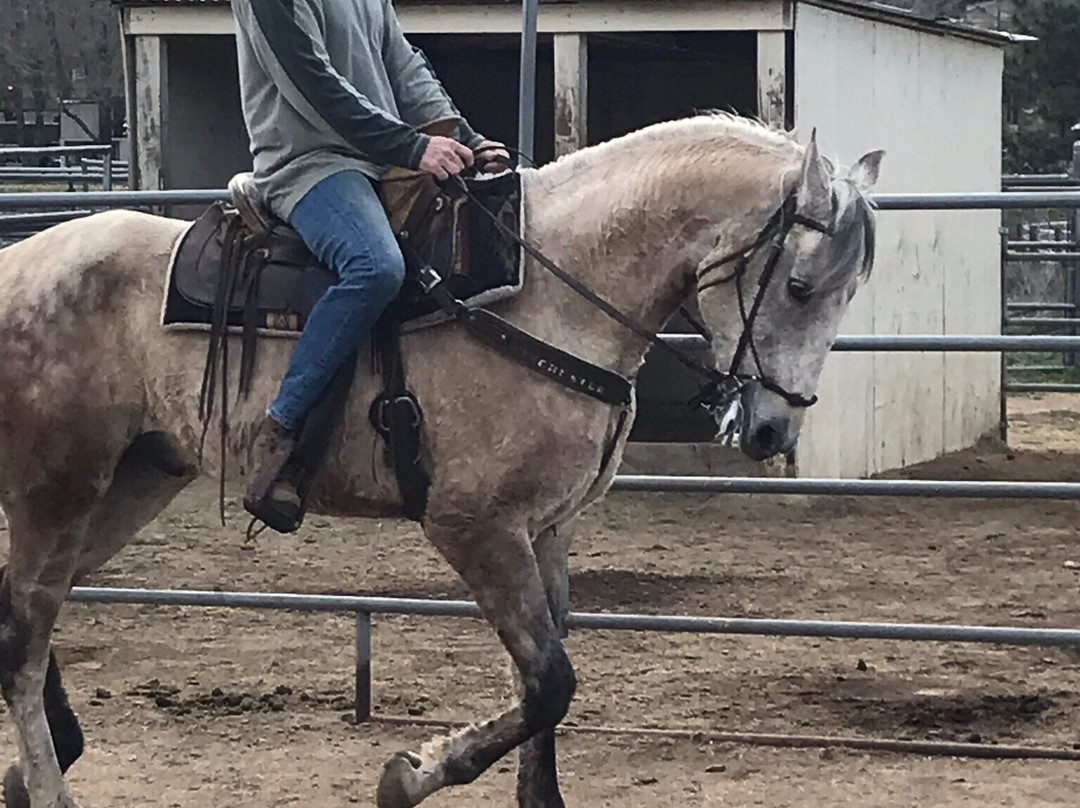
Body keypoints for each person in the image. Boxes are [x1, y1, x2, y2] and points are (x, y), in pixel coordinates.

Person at [231, 0, 507, 529]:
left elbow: (405, 68)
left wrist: (465, 139)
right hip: (310, 165)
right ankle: (281, 431)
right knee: (373, 266)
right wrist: (411, 145)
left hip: (382, 161)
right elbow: (314, 85)